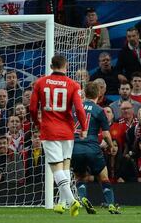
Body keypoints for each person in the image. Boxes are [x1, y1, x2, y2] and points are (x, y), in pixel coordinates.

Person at [29, 55, 87, 217]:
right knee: (65, 168)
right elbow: (79, 109)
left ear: (50, 65)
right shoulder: (73, 84)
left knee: (56, 169)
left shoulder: (40, 82)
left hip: (49, 130)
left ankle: (71, 200)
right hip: (67, 131)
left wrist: (37, 123)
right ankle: (61, 204)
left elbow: (33, 108)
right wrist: (84, 128)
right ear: (66, 66)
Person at [72, 82, 120, 214]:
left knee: (80, 177)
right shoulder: (99, 110)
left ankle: (83, 198)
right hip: (92, 148)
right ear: (99, 94)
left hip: (75, 148)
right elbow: (105, 134)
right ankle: (110, 204)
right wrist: (111, 147)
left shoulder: (73, 108)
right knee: (104, 177)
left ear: (84, 93)